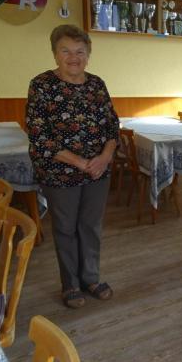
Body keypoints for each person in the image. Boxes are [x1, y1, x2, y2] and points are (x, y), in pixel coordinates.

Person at [26, 24, 119, 309]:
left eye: (80, 51)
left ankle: (91, 278)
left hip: (98, 172)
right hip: (59, 173)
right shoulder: (41, 85)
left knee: (90, 226)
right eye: (65, 50)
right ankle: (71, 284)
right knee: (65, 228)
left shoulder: (97, 85)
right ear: (55, 53)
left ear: (88, 54)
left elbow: (112, 126)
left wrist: (103, 158)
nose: (73, 57)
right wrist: (80, 162)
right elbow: (39, 136)